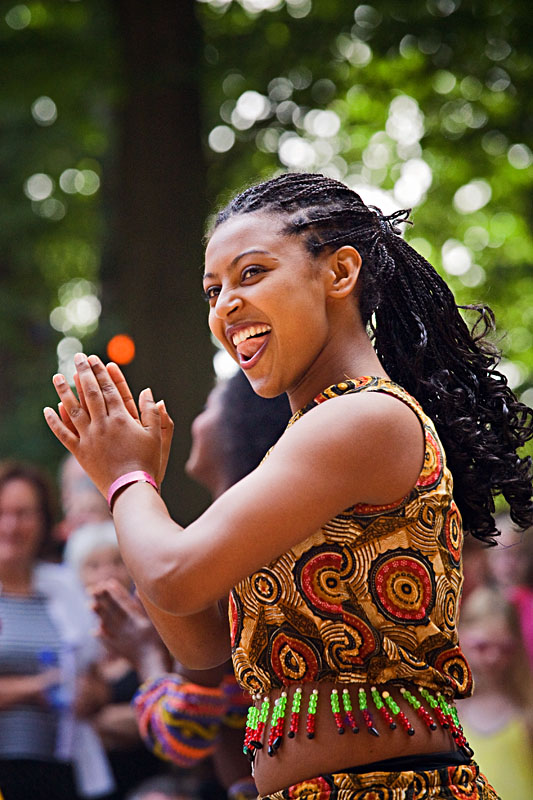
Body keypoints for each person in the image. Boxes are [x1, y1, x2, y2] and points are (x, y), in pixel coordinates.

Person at [43, 172, 533, 800]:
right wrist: (140, 489)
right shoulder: (311, 435)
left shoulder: (365, 417)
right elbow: (202, 642)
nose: (225, 306)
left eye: (251, 273)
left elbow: (172, 575)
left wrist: (124, 480)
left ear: (340, 272)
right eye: (213, 290)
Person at [92, 372, 291, 800]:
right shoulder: (264, 534)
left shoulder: (228, 556)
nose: (195, 421)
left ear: (240, 425)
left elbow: (183, 734)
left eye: (208, 406)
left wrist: (145, 653)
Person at [0, 461, 112, 800]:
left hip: (59, 768)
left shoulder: (64, 587)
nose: (11, 526)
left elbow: (97, 680)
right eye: (3, 513)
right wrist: (36, 688)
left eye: (24, 514)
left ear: (44, 521)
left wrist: (89, 695)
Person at [64, 521, 170, 799]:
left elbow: (168, 714)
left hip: (149, 780)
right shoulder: (68, 639)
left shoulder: (155, 634)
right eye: (94, 565)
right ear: (75, 575)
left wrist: (93, 724)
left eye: (116, 562)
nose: (108, 572)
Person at [457, 587, 533, 798]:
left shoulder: (525, 708)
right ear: (460, 637)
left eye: (505, 649)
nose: (493, 658)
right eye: (481, 647)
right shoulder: (449, 707)